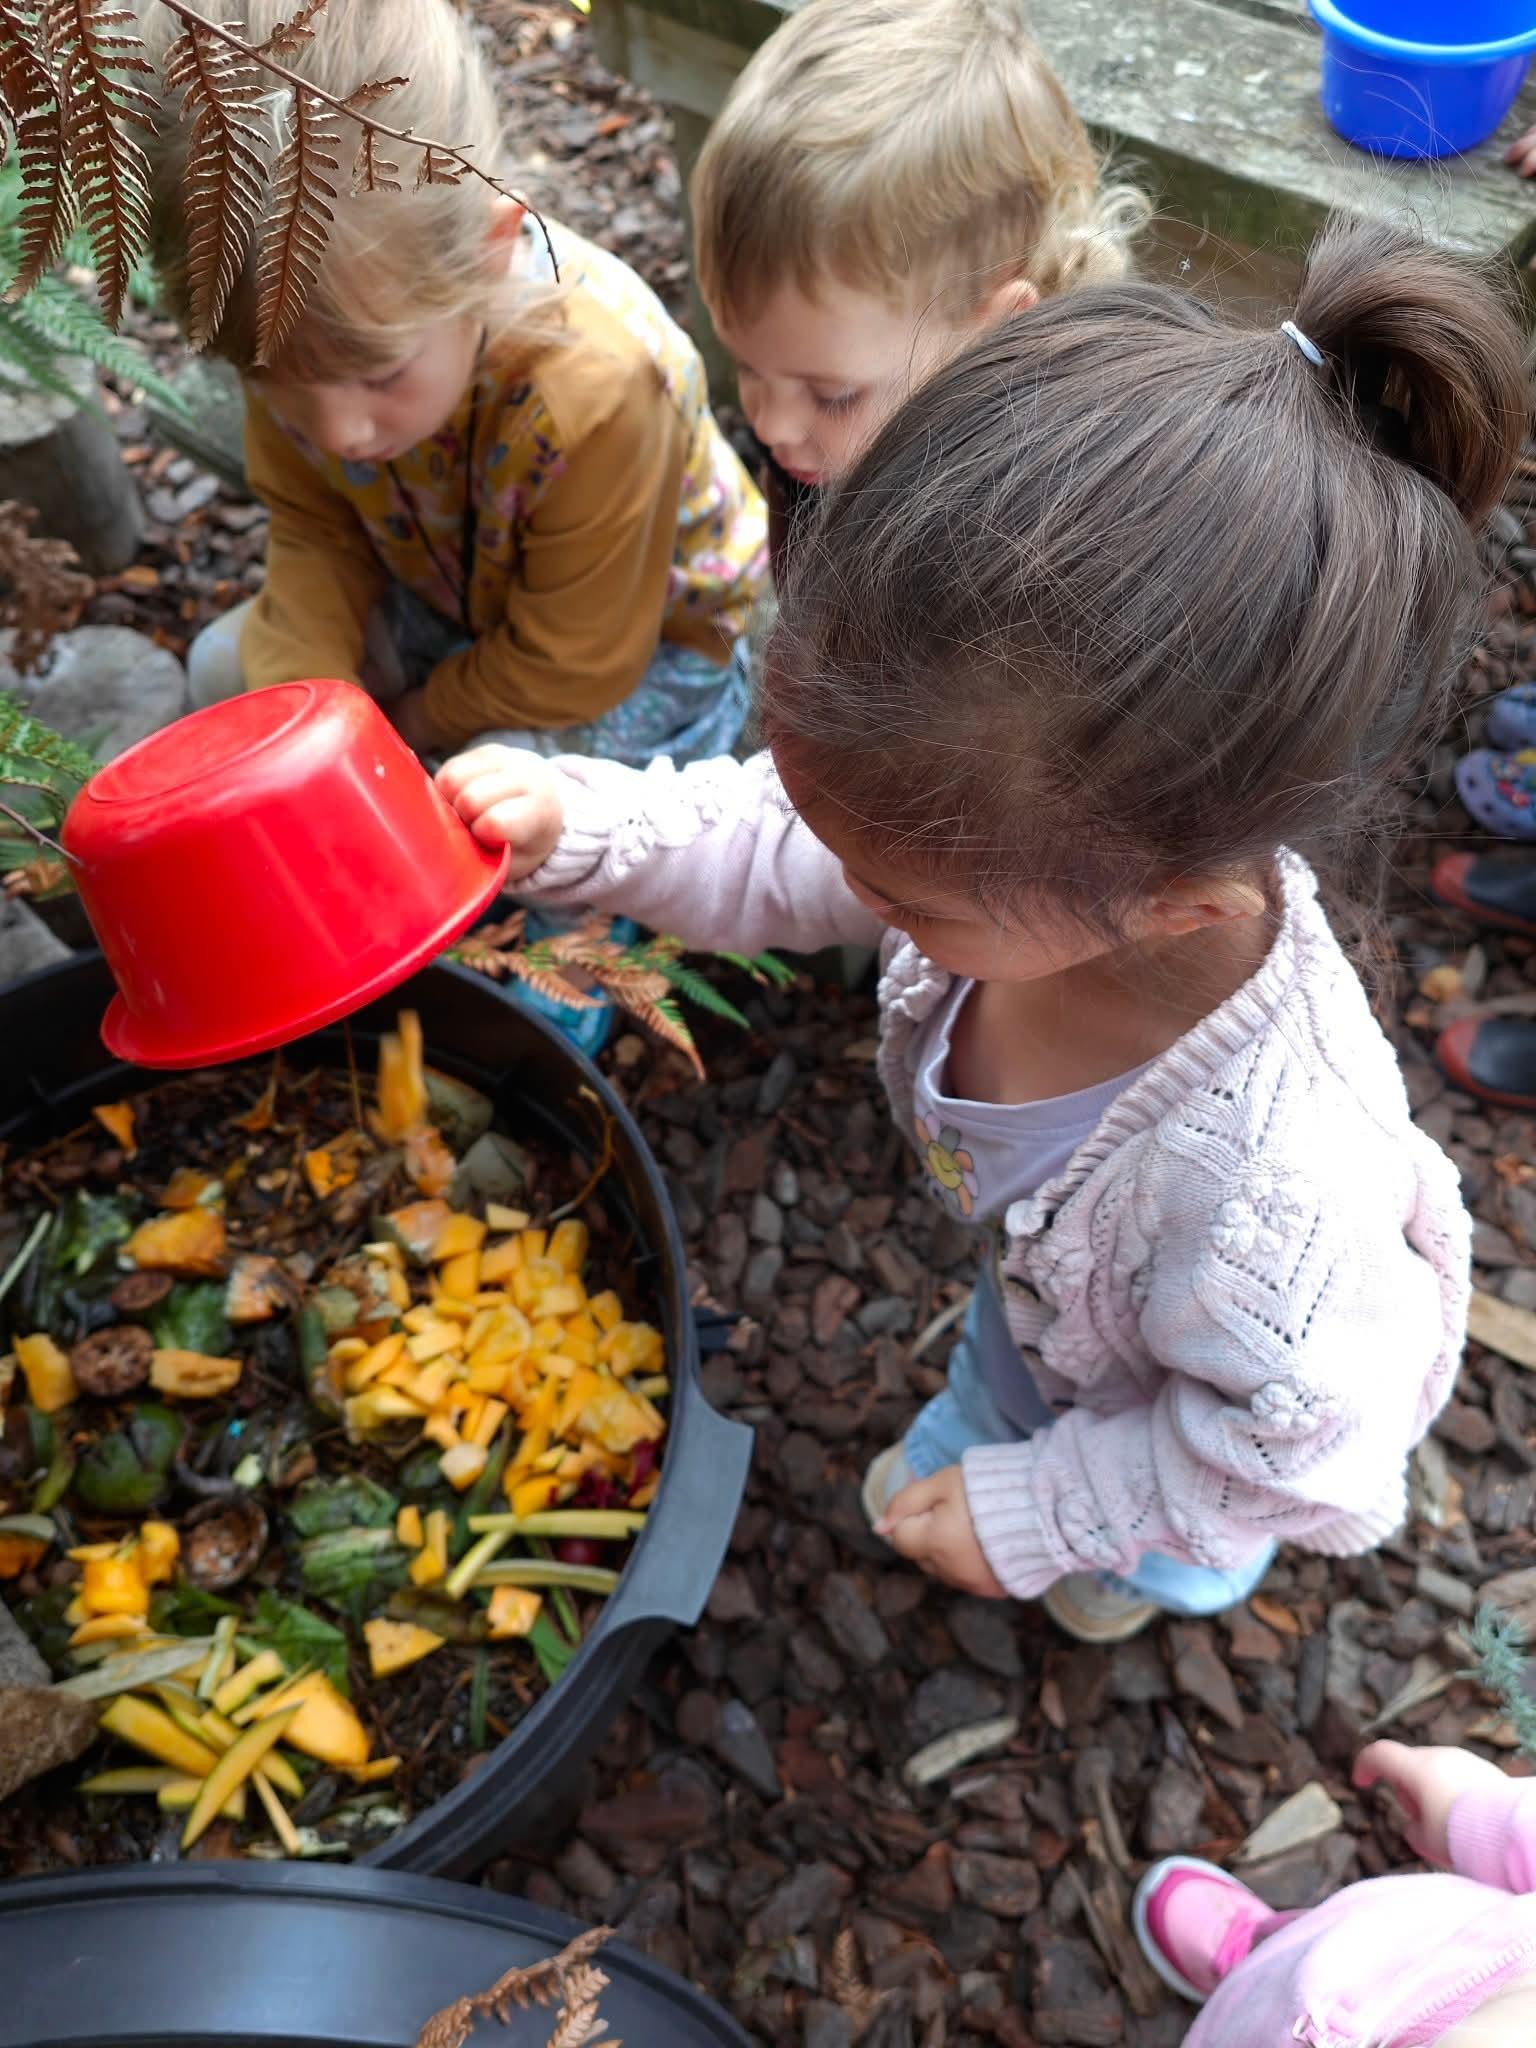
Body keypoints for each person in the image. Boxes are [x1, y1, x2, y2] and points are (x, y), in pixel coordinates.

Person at [432, 217, 1523, 1643]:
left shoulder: (1279, 1199)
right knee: (1010, 1372)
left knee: (1142, 1543)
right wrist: (588, 824)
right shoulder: (1010, 853)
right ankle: (1003, 1428)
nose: (842, 884)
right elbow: (778, 840)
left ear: (1172, 904)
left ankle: (1130, 1567)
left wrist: (1047, 1513)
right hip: (1047, 1315)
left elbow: (1296, 1442)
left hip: (1193, 1442)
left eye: (898, 897)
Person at [136, 0, 768, 768]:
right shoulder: (295, 333)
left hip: (637, 652)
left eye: (379, 375)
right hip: (448, 595)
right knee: (234, 673)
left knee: (495, 789)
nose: (336, 433)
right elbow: (317, 528)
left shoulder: (599, 392)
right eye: (270, 382)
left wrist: (412, 720)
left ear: (488, 253)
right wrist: (313, 701)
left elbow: (580, 663)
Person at [688, 0, 1146, 585]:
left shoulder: (1031, 548)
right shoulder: (827, 432)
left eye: (833, 396)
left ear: (999, 334)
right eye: (746, 365)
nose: (771, 425)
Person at [1134, 1740, 1536, 2045]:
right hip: (1421, 1941)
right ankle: (1263, 1955)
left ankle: (1248, 1999)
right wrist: (1475, 1814)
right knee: (1311, 1951)